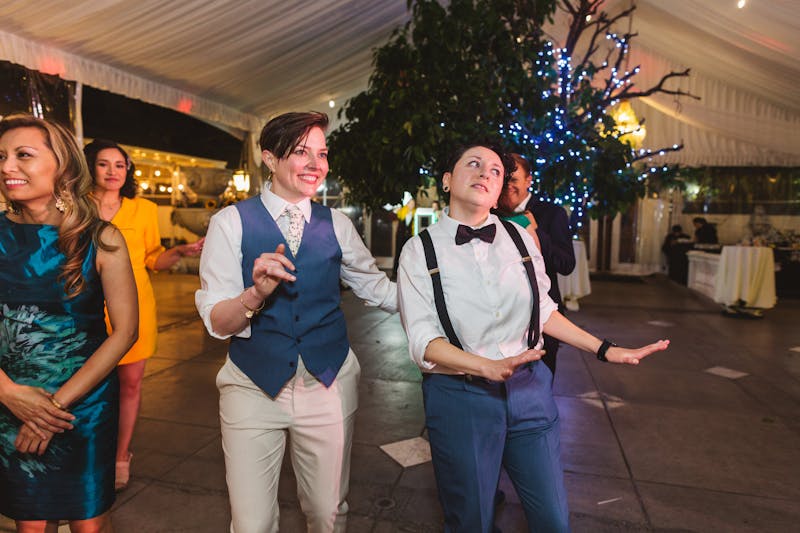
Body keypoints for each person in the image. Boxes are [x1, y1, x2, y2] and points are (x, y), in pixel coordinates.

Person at [397, 141, 669, 533]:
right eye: (473, 164)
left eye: (495, 171)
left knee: (553, 521)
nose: (485, 174)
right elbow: (423, 341)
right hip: (461, 400)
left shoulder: (520, 238)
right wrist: (486, 366)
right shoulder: (418, 251)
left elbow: (544, 310)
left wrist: (605, 349)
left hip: (531, 393)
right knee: (471, 521)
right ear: (446, 179)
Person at [195, 111, 396, 533]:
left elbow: (377, 289)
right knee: (251, 523)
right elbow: (218, 321)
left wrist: (445, 307)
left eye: (321, 154)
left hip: (327, 381)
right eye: (301, 151)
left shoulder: (337, 225)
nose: (315, 164)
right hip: (252, 385)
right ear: (269, 158)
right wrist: (254, 294)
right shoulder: (230, 223)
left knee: (327, 512)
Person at [0, 115, 138, 531]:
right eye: (1, 156)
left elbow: (126, 332)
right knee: (29, 521)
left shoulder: (103, 237)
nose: (7, 166)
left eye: (23, 155)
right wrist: (10, 394)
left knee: (88, 522)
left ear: (61, 164)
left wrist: (54, 408)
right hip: (8, 399)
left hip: (84, 402)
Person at [83, 139, 205, 491]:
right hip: (85, 306)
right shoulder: (76, 207)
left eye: (119, 165)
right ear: (90, 167)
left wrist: (179, 251)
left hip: (133, 307)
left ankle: (121, 455)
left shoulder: (145, 209)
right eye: (104, 164)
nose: (112, 172)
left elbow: (154, 259)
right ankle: (87, 457)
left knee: (130, 384)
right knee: (87, 387)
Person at [496, 153, 575, 379]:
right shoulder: (490, 213)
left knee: (541, 379)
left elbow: (566, 264)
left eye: (514, 179)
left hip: (542, 314)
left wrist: (537, 232)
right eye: (503, 179)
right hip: (501, 313)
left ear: (529, 180)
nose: (507, 186)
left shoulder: (553, 213)